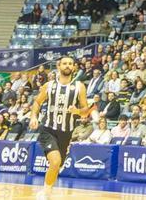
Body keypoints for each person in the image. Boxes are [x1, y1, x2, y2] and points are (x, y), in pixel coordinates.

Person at [28, 56, 94, 190]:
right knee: (55, 161)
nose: (67, 66)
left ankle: (48, 190)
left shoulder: (79, 87)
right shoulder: (49, 85)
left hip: (66, 132)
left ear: (74, 67)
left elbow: (86, 111)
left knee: (57, 165)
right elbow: (37, 102)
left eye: (70, 64)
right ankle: (45, 194)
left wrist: (77, 111)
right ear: (59, 66)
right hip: (48, 129)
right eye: (64, 63)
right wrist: (33, 116)